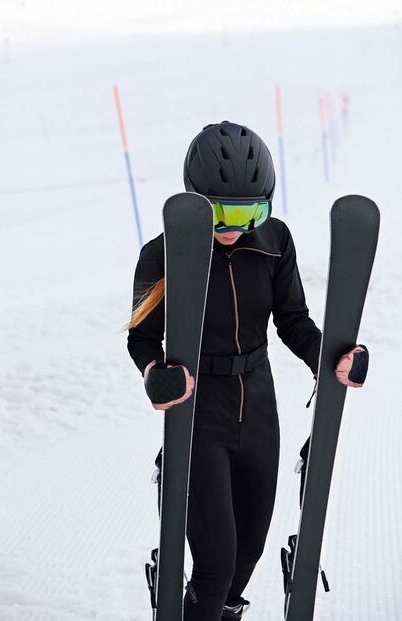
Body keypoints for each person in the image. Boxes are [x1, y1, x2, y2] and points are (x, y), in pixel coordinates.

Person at [126, 121, 369, 621]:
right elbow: (142, 336)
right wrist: (155, 371)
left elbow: (294, 321)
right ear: (195, 201)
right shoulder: (162, 253)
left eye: (249, 212)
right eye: (220, 213)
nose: (234, 226)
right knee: (215, 563)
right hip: (198, 414)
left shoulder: (275, 241)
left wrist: (335, 356)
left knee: (246, 556)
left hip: (258, 407)